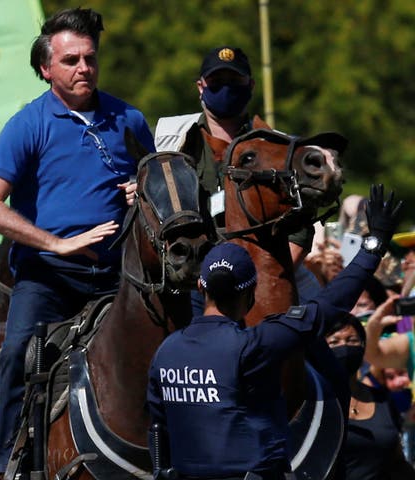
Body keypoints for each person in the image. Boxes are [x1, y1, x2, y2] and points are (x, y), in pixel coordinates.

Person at [0, 7, 154, 477]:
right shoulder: (28, 123)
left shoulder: (129, 119)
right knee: (16, 355)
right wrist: (56, 244)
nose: (83, 69)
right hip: (47, 281)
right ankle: (3, 464)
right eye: (70, 60)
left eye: (89, 58)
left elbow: (159, 192)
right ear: (45, 69)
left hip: (120, 280)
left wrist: (142, 191)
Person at [146, 184, 401, 480]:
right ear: (252, 293)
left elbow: (157, 429)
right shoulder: (254, 345)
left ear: (201, 286)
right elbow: (328, 307)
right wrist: (373, 247)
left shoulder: (165, 353)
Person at [154, 46, 328, 312]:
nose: (226, 88)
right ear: (200, 86)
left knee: (319, 342)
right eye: (216, 82)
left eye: (235, 81)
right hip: (193, 284)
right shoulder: (171, 142)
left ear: (251, 85)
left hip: (267, 282)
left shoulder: (277, 145)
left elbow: (300, 228)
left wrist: (262, 279)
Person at [325, 313, 415, 479]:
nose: (344, 347)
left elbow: (397, 461)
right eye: (334, 341)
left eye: (352, 340)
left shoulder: (382, 399)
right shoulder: (312, 402)